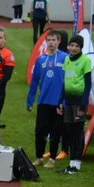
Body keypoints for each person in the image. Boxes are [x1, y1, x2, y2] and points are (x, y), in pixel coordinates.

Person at [28, 31, 68, 169]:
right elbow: (34, 81)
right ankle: (39, 157)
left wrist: (64, 102)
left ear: (59, 41)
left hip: (58, 103)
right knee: (40, 130)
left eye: (53, 40)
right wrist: (30, 100)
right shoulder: (40, 59)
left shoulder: (65, 58)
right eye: (48, 40)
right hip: (43, 101)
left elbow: (68, 81)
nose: (51, 42)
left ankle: (52, 159)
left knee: (55, 132)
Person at [60, 34, 93, 176]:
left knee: (78, 132)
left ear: (81, 48)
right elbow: (64, 82)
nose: (73, 48)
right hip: (68, 100)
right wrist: (60, 101)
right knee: (70, 131)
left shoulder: (85, 61)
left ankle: (76, 163)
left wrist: (83, 105)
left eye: (76, 46)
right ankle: (71, 163)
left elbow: (87, 85)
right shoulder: (67, 59)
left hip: (79, 101)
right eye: (71, 45)